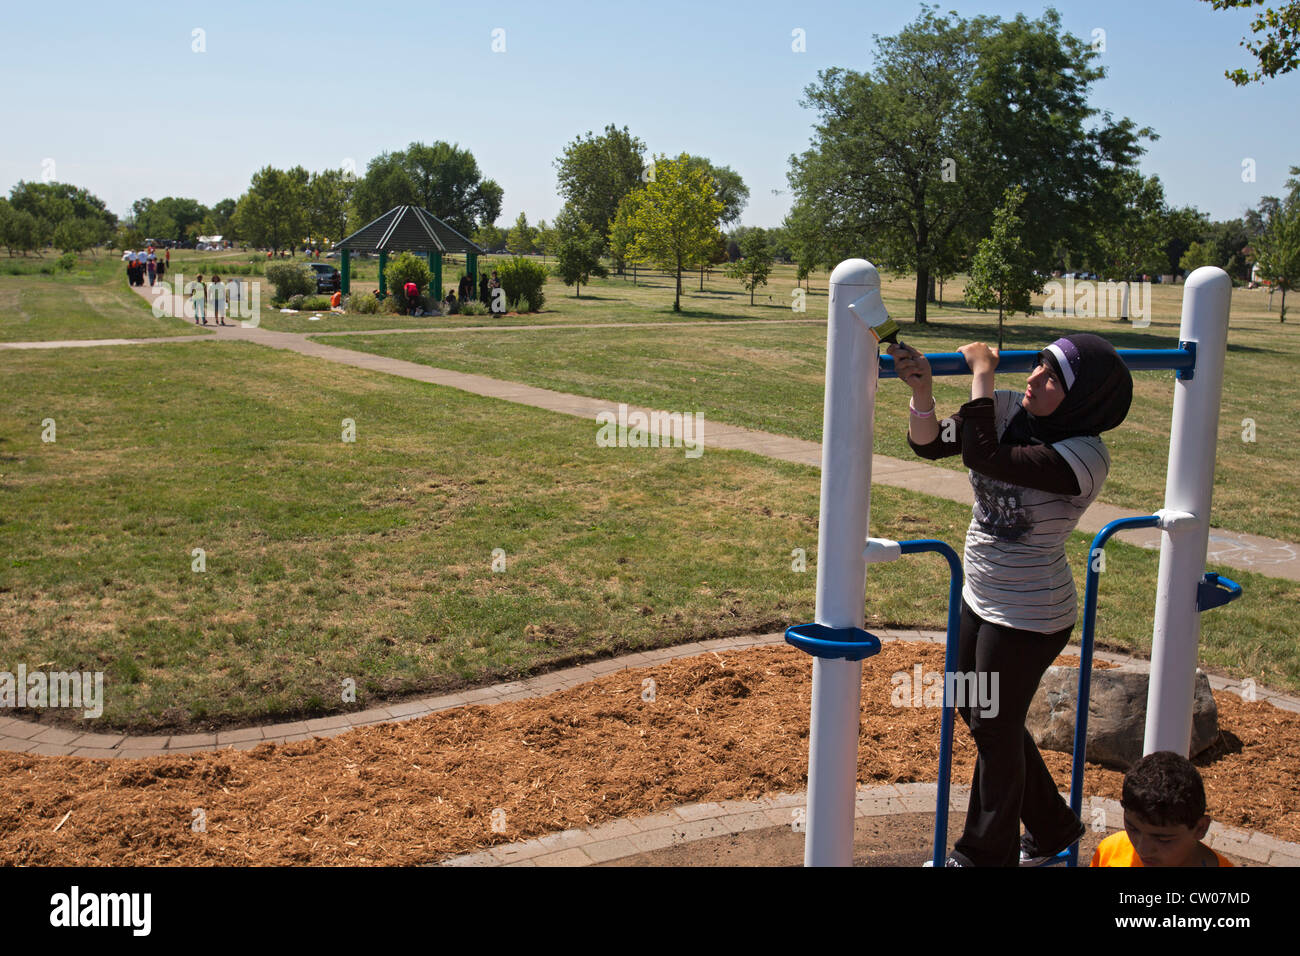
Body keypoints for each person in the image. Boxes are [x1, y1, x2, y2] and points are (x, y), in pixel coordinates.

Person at [891, 334, 1132, 867]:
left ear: (1082, 399)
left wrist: (981, 371)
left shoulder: (1083, 457)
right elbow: (932, 443)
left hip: (1030, 613)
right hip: (980, 592)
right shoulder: (1004, 408)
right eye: (1038, 366)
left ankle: (984, 855)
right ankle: (1051, 826)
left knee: (994, 726)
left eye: (1051, 378)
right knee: (974, 708)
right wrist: (924, 392)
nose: (1033, 380)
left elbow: (986, 456)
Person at [1091, 751, 1232, 867]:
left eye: (1163, 839)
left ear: (1201, 828)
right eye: (1132, 828)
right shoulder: (1110, 851)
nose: (1143, 850)